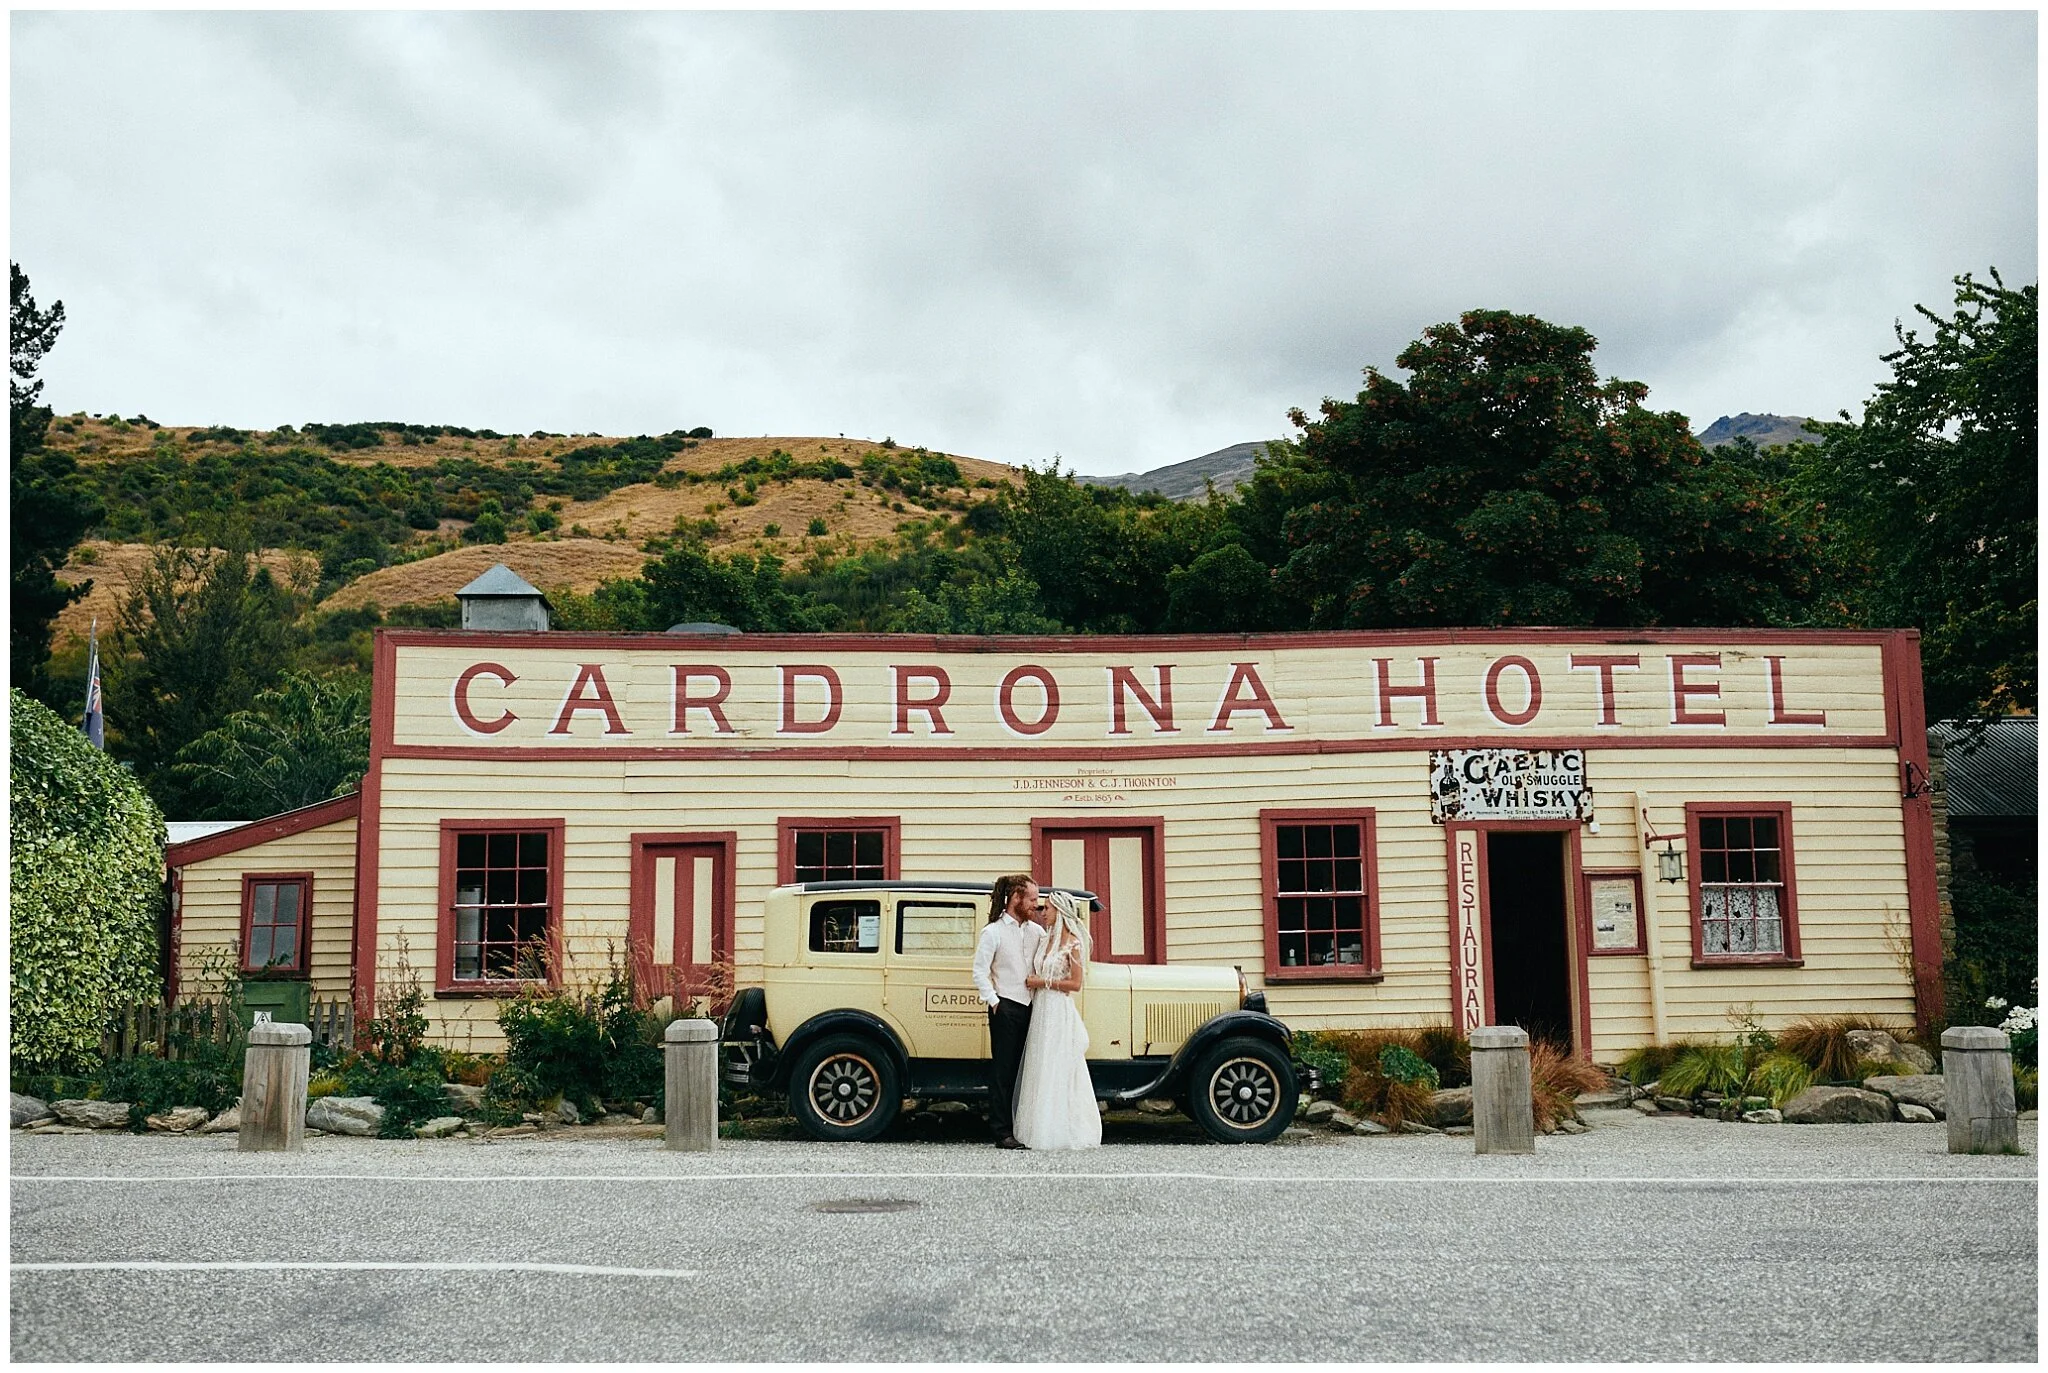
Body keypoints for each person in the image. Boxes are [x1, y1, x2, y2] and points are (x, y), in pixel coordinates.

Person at [1011, 889, 1103, 1151]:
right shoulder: (1044, 940)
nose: (1043, 912)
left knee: (1057, 1065)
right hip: (1041, 1009)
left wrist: (1042, 981)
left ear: (1060, 912)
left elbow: (1075, 983)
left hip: (1058, 1009)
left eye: (1047, 908)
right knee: (1040, 1064)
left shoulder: (1073, 943)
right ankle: (1036, 1125)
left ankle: (1061, 1128)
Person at [972, 873, 1045, 1150]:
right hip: (1006, 1007)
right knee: (1003, 1071)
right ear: (1015, 898)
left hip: (1033, 1008)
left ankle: (1024, 1126)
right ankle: (1002, 1131)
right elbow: (979, 971)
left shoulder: (1036, 932)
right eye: (1032, 899)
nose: (1036, 905)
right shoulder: (993, 932)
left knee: (1027, 1070)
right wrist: (994, 1002)